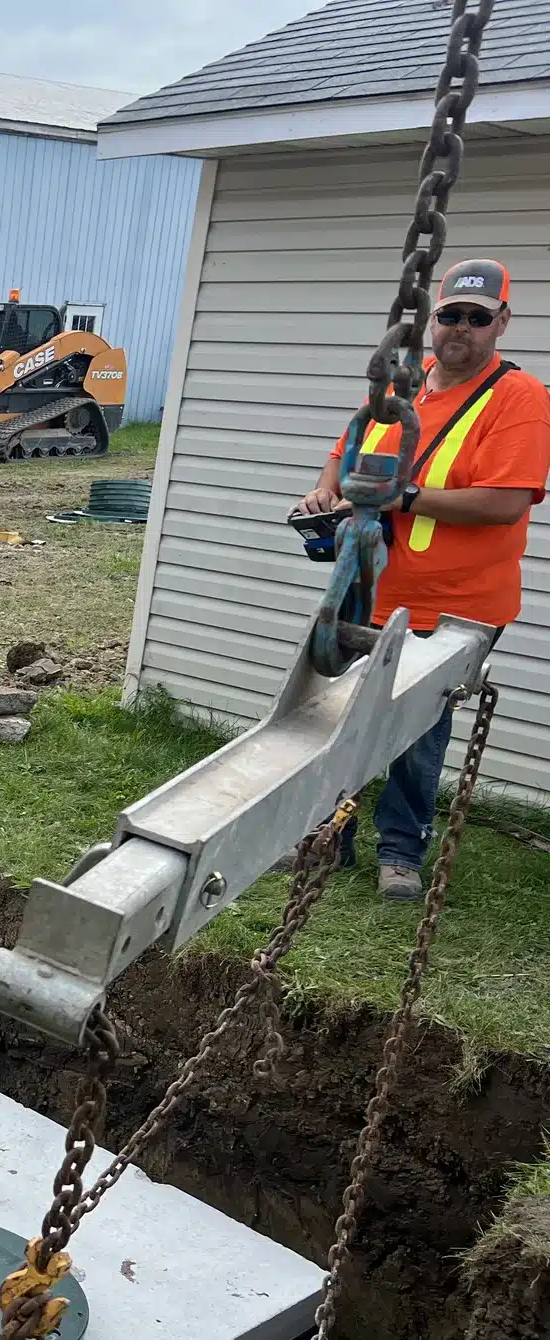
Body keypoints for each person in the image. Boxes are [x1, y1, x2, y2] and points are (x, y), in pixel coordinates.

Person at [297, 258, 550, 900]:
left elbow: (505, 501)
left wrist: (402, 496)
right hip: (373, 591)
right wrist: (325, 494)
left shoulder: (519, 399)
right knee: (343, 716)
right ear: (432, 320)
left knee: (417, 727)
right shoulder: (402, 386)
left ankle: (401, 851)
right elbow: (343, 455)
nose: (460, 329)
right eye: (450, 316)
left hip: (457, 606)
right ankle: (328, 837)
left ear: (501, 323)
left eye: (477, 318)